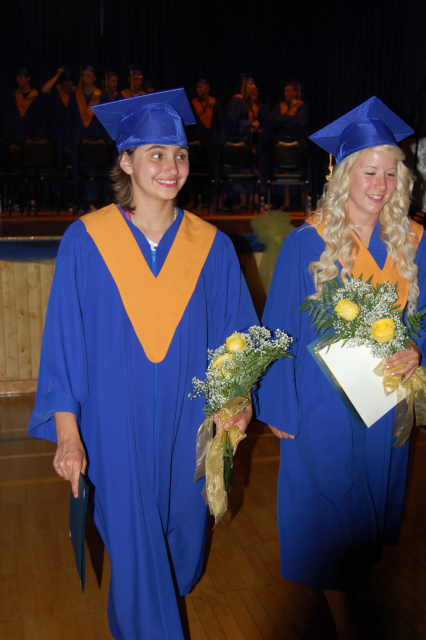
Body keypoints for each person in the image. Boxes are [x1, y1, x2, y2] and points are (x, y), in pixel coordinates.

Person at [28, 88, 257, 640]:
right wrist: (67, 434)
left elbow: (238, 340)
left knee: (180, 556)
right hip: (113, 430)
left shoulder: (212, 248)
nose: (171, 167)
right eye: (155, 154)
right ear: (126, 162)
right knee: (136, 566)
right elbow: (64, 343)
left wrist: (238, 400)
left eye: (179, 155)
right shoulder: (87, 241)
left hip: (189, 427)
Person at [256, 96, 426, 639]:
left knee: (366, 508)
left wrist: (417, 350)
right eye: (369, 172)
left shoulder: (414, 242)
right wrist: (278, 404)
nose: (380, 184)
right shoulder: (308, 242)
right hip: (321, 401)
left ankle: (342, 590)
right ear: (343, 173)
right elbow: (278, 327)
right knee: (336, 505)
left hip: (383, 397)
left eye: (391, 173)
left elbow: (422, 319)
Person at [3, 65, 47, 143]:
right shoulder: (13, 97)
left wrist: (38, 138)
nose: (17, 80)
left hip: (32, 141)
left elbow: (41, 120)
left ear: (28, 78)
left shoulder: (37, 97)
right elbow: (8, 118)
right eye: (17, 77)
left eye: (20, 77)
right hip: (14, 140)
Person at [41, 67, 76, 165]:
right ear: (60, 84)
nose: (67, 88)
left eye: (70, 86)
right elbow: (44, 91)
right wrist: (57, 75)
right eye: (65, 86)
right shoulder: (56, 92)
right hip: (57, 134)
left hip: (71, 134)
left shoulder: (76, 94)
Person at [272, 80, 309, 144]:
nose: (285, 93)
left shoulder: (302, 106)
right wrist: (291, 118)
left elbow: (300, 123)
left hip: (297, 141)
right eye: (285, 91)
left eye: (288, 91)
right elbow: (274, 121)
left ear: (295, 92)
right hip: (281, 140)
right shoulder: (279, 106)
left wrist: (283, 118)